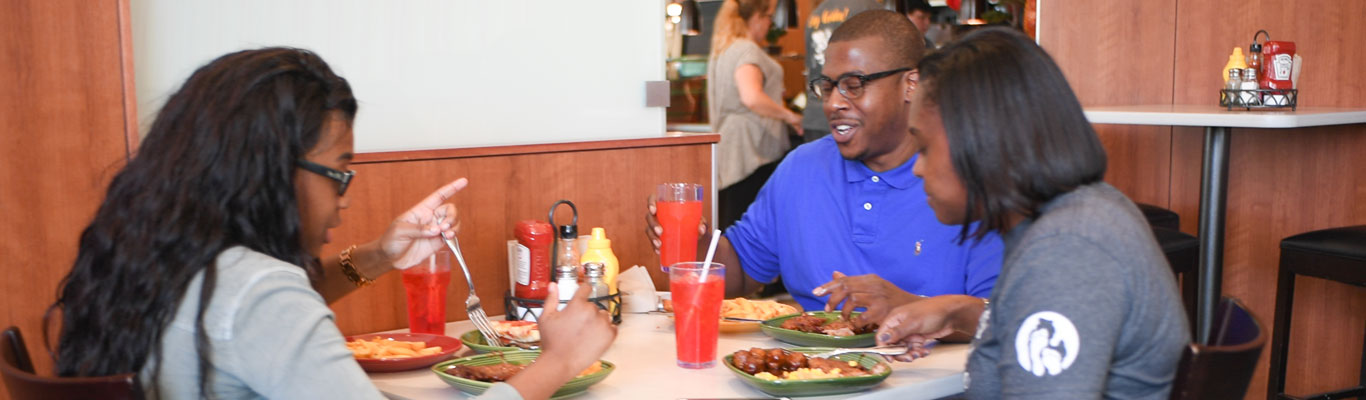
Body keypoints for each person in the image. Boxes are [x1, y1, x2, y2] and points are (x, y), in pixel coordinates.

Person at [47, 48, 615, 400]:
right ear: (272, 169)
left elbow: (244, 321)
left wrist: (380, 254)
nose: (344, 197)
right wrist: (558, 362)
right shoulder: (256, 290)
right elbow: (261, 309)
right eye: (338, 171)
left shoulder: (152, 253)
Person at [876, 28, 1190, 398]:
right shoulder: (1078, 213)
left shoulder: (1067, 250)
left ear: (984, 142)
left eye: (925, 147)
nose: (917, 168)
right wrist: (960, 311)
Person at [648, 11, 1002, 326]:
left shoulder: (964, 177)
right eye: (828, 86)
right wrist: (697, 245)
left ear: (910, 84)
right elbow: (742, 271)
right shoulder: (802, 167)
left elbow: (1001, 316)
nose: (833, 103)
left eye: (853, 85)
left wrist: (910, 308)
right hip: (807, 377)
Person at [708, 0, 803, 230]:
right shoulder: (746, 49)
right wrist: (790, 116)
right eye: (769, 17)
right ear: (757, 17)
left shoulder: (725, 49)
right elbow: (751, 97)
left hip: (732, 149)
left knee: (733, 219)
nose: (770, 25)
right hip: (751, 152)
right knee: (749, 224)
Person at [800, 0, 883, 143]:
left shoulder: (817, 13)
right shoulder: (867, 7)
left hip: (815, 110)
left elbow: (809, 65)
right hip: (852, 112)